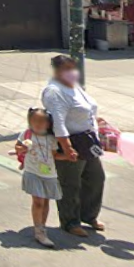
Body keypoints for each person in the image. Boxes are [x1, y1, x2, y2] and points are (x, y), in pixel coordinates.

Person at [40, 55, 105, 238]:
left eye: (73, 68)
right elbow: (58, 122)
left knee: (95, 178)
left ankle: (89, 216)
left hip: (87, 142)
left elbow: (88, 109)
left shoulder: (74, 87)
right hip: (70, 142)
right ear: (57, 71)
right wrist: (67, 148)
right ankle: (70, 222)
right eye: (67, 69)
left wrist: (98, 125)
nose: (72, 72)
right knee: (70, 184)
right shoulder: (54, 91)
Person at [14, 108, 70, 249]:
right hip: (33, 172)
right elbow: (17, 146)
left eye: (41, 121)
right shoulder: (27, 134)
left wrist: (68, 156)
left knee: (45, 202)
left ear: (48, 124)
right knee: (38, 202)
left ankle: (42, 226)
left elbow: (54, 155)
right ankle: (39, 231)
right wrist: (21, 149)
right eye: (34, 121)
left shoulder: (51, 138)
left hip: (48, 174)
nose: (38, 124)